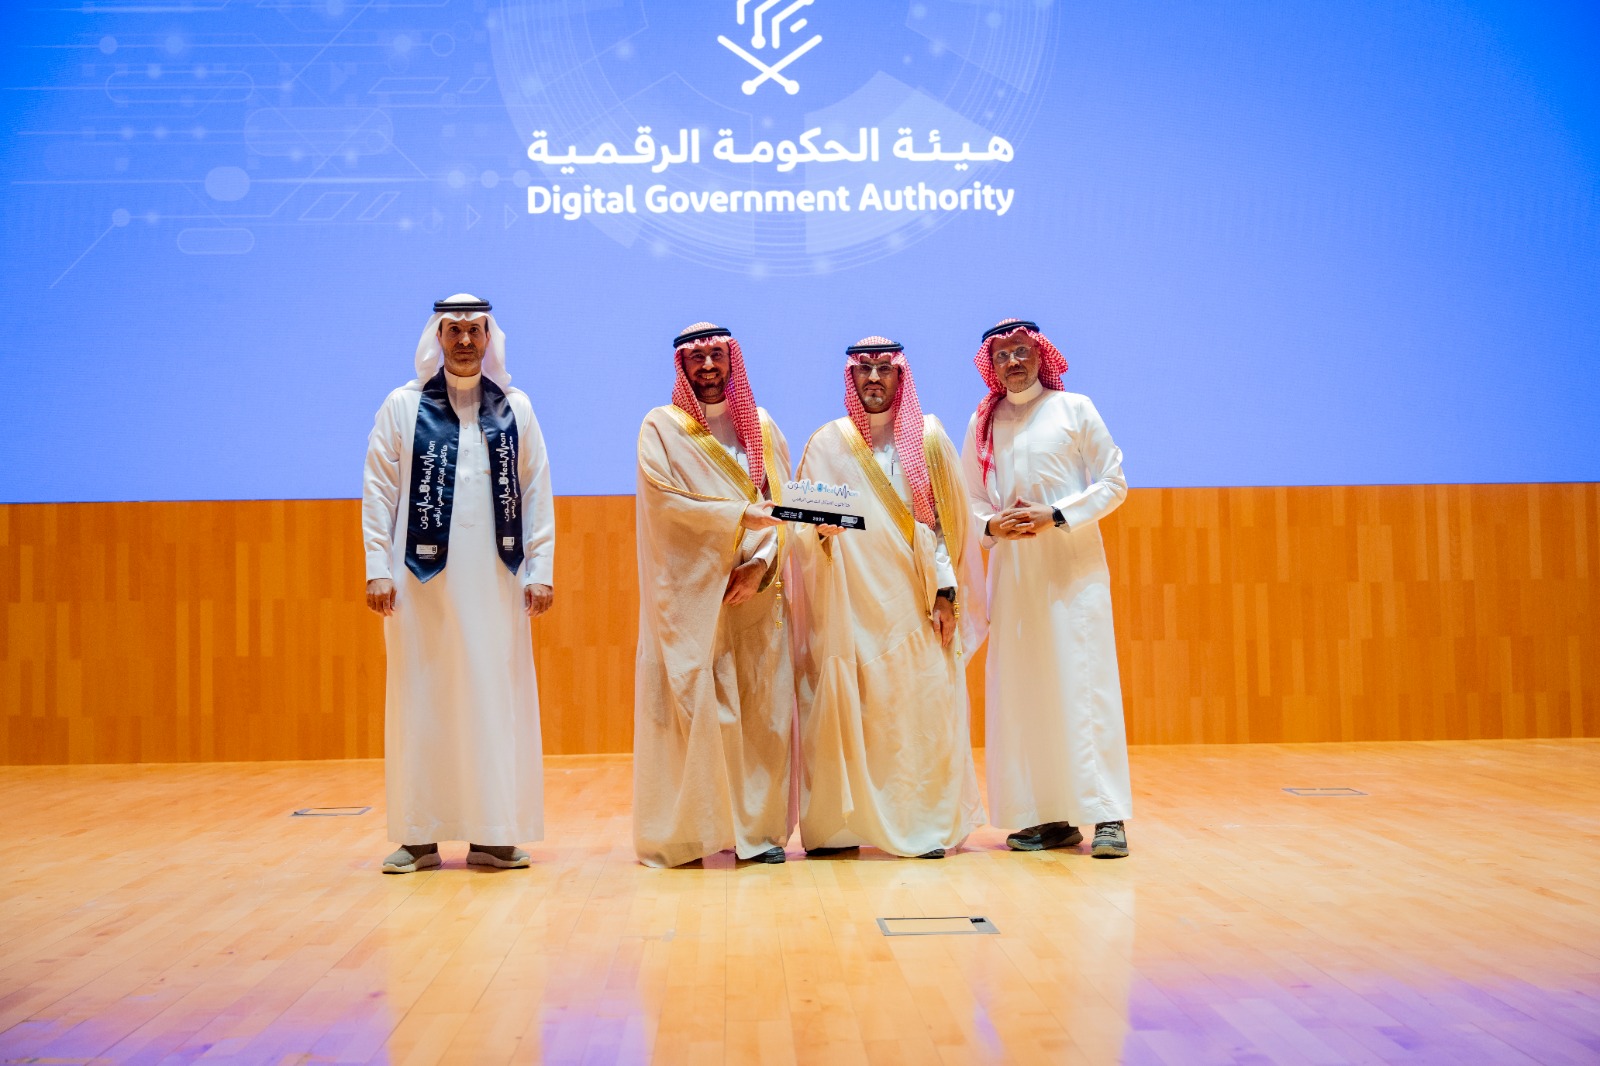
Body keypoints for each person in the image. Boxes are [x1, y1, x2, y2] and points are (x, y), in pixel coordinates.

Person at [361, 294, 555, 873]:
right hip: (420, 586)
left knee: (493, 698)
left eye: (475, 330)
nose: (465, 341)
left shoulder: (515, 408)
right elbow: (379, 489)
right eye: (454, 331)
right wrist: (377, 566)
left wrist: (541, 570)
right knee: (422, 698)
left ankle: (493, 834)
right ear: (437, 338)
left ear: (489, 338)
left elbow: (536, 490)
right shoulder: (402, 406)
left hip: (498, 581)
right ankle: (419, 836)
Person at [789, 337, 987, 859]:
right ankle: (840, 828)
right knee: (852, 711)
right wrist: (818, 535)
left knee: (919, 714)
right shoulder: (827, 443)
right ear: (851, 378)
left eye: (884, 368)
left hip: (915, 605)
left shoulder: (929, 438)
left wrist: (947, 595)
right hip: (850, 609)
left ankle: (923, 826)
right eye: (864, 370)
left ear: (901, 376)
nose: (874, 378)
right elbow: (799, 528)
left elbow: (947, 527)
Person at [960, 319, 1132, 858]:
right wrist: (992, 525)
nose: (1013, 362)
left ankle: (1107, 815)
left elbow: (1114, 483)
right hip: (1013, 576)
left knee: (1084, 684)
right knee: (1026, 689)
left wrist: (1055, 514)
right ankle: (1049, 818)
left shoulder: (1074, 408)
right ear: (991, 364)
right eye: (1002, 354)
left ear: (1040, 355)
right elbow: (968, 500)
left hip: (1071, 571)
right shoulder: (983, 423)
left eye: (1021, 351)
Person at [632, 322, 795, 868]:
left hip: (755, 591)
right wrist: (738, 516)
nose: (707, 366)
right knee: (695, 711)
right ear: (681, 366)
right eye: (696, 358)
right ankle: (688, 836)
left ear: (732, 362)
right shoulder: (661, 427)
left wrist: (759, 566)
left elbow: (782, 507)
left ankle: (757, 835)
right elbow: (665, 504)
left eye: (717, 356)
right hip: (691, 597)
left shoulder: (762, 428)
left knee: (761, 713)